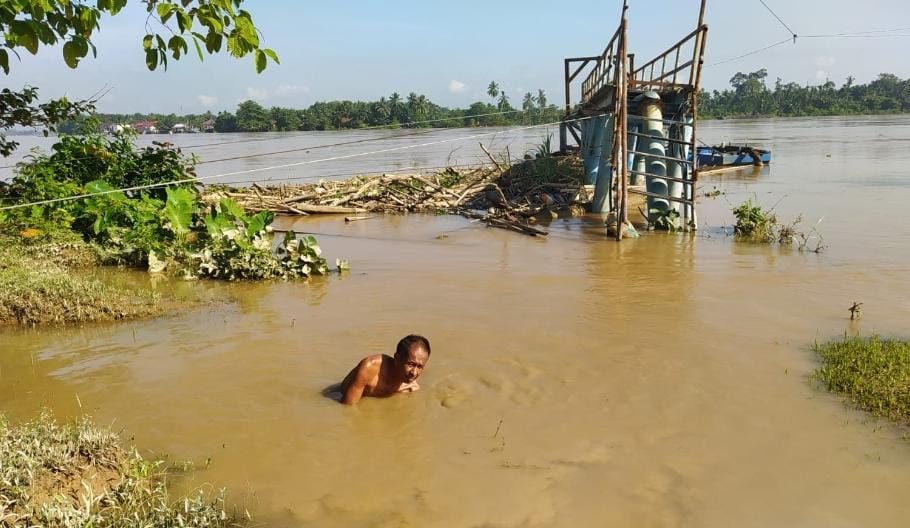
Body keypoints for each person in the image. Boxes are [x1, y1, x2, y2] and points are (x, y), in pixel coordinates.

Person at [339, 335, 431, 405]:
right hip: (336, 395)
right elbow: (348, 408)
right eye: (411, 364)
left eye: (419, 367)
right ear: (397, 358)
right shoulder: (370, 368)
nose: (414, 373)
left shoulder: (411, 387)